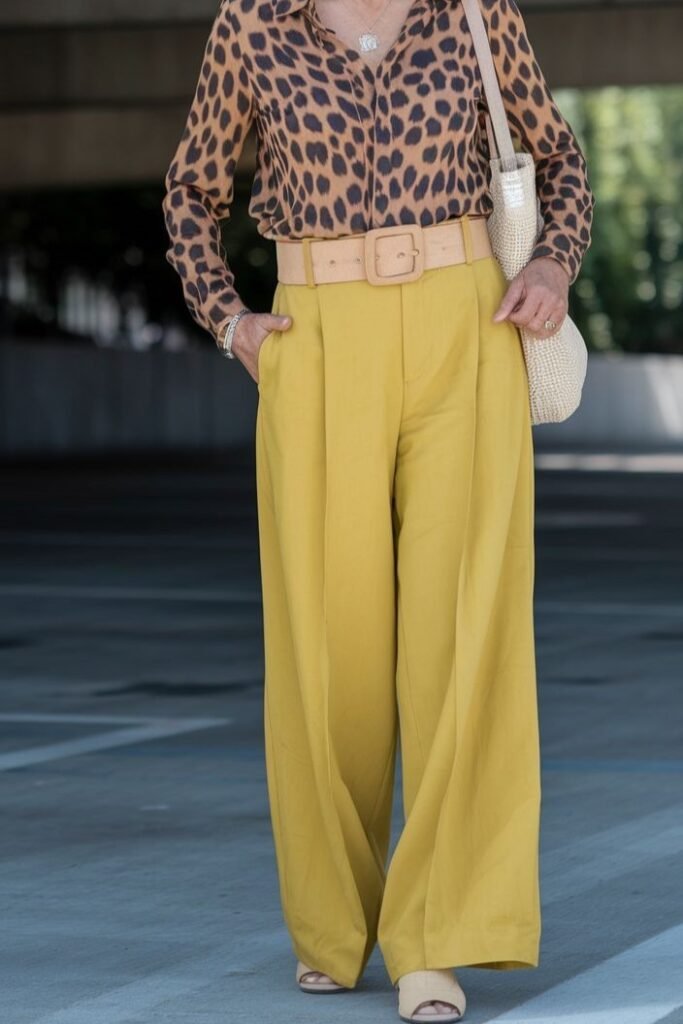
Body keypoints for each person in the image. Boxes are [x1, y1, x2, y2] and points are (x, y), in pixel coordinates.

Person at [162, 0, 595, 1019]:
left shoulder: (474, 11)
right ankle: (332, 921)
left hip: (465, 329)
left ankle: (434, 936)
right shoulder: (253, 22)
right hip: (316, 340)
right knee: (330, 648)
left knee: (460, 634)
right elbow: (191, 189)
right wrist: (229, 321)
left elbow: (559, 157)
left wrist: (552, 261)